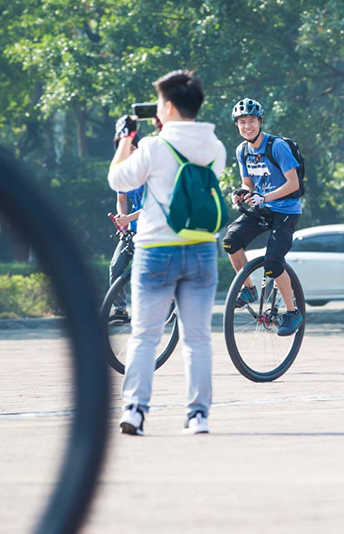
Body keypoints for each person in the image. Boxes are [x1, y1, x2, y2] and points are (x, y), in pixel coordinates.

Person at [108, 69, 226, 436]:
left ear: (170, 107)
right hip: (202, 250)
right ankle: (198, 416)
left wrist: (125, 140)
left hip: (157, 251)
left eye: (160, 103)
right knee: (198, 338)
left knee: (144, 335)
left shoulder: (153, 147)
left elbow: (117, 179)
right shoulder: (215, 146)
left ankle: (135, 411)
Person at [222, 98, 303, 337]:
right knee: (230, 241)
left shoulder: (277, 147)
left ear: (260, 122)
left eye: (252, 121)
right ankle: (248, 289)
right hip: (263, 207)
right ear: (237, 125)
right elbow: (248, 183)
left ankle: (292, 312)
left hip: (286, 210)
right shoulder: (242, 150)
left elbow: (293, 184)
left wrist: (264, 197)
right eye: (242, 122)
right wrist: (242, 193)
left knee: (273, 263)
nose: (247, 126)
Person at [108, 133, 143, 323]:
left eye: (132, 148)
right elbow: (121, 200)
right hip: (133, 228)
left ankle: (167, 304)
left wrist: (129, 218)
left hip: (154, 228)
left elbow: (155, 205)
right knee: (116, 266)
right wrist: (123, 220)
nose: (129, 153)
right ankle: (120, 310)